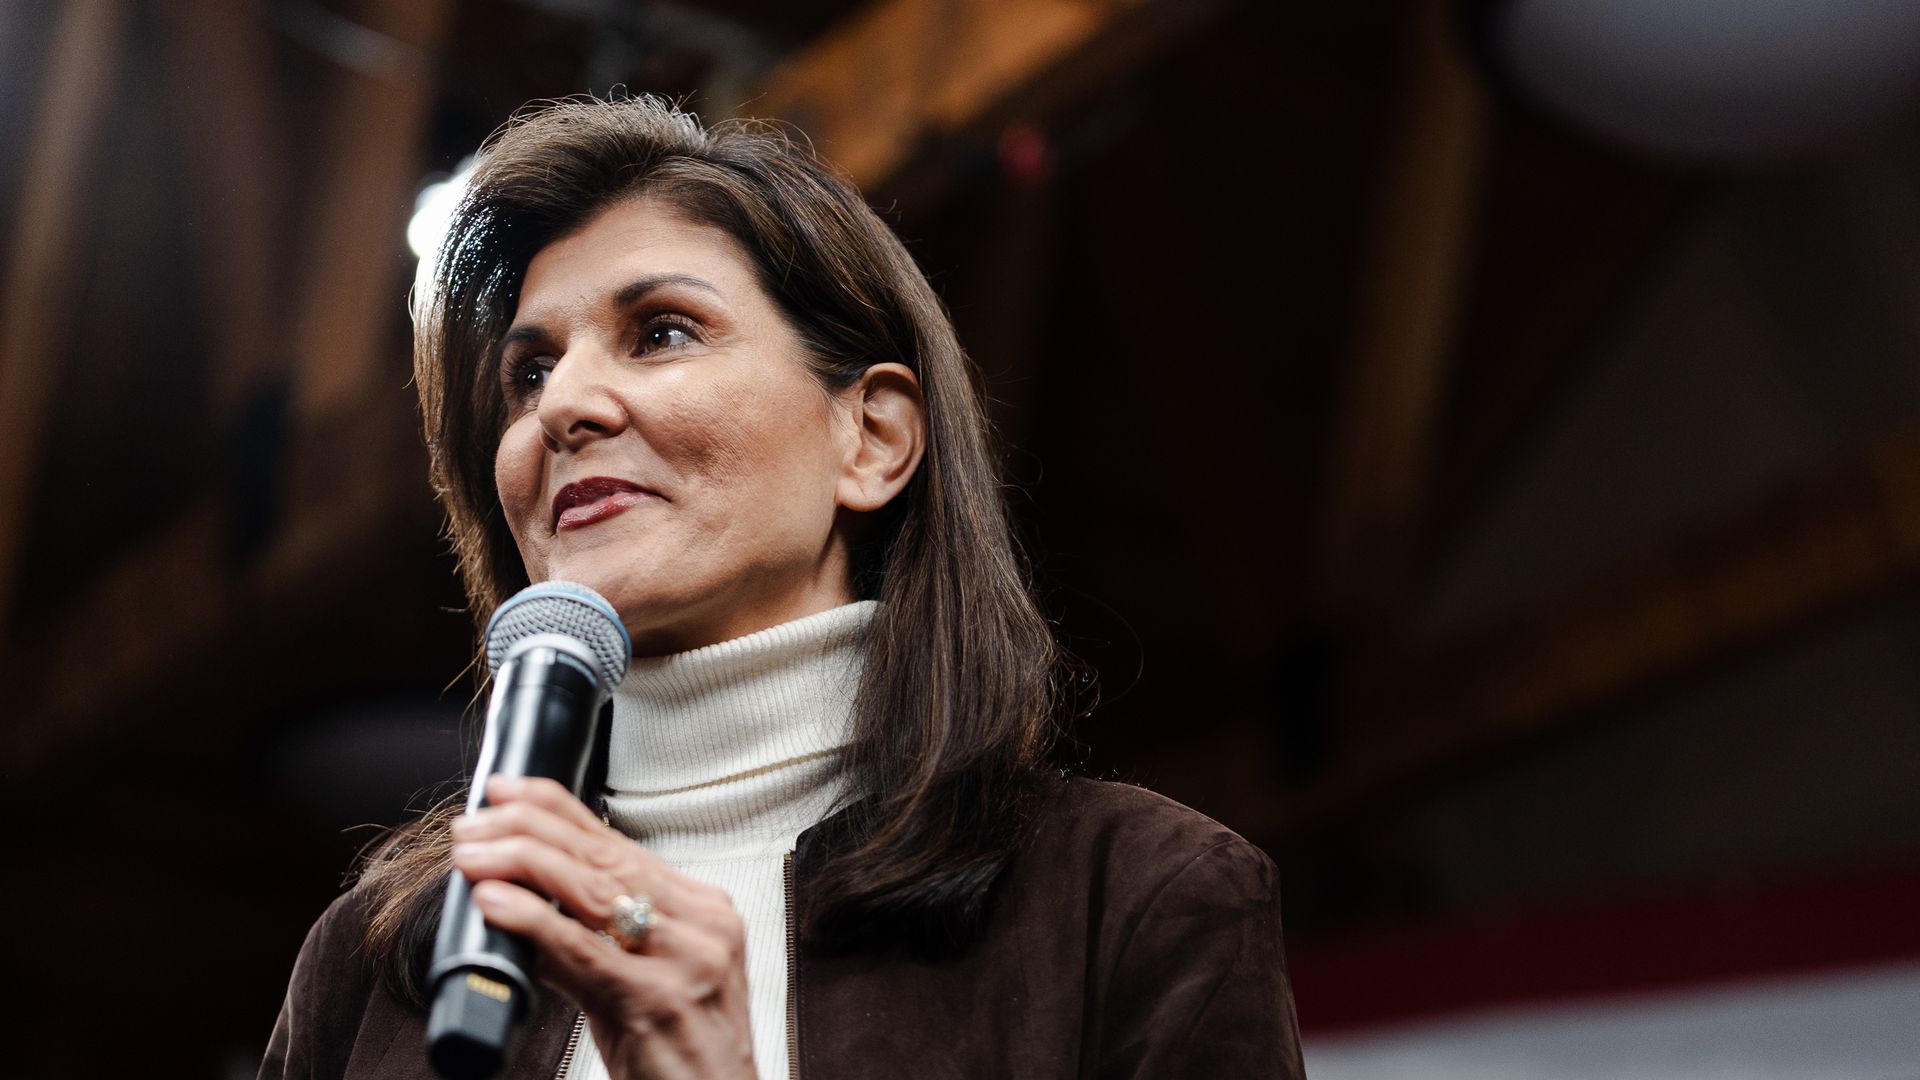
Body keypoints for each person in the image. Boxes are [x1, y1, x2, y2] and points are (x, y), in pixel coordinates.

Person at [261, 95, 1305, 1080]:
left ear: (873, 438)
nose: (561, 407)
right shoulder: (372, 964)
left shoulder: (1138, 898)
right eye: (528, 374)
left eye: (661, 331)